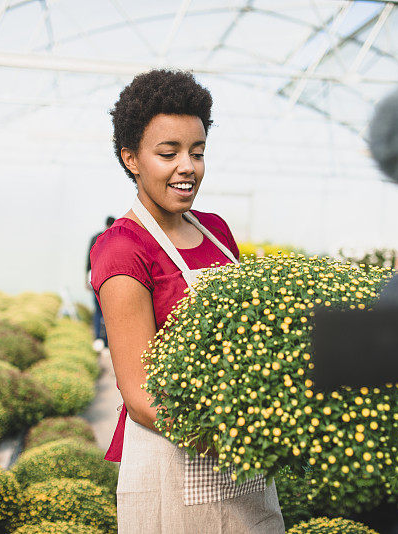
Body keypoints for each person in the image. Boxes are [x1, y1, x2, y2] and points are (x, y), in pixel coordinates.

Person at [90, 69, 285, 533]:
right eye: (168, 153)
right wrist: (238, 439)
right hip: (173, 459)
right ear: (132, 158)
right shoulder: (123, 248)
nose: (188, 167)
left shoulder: (215, 231)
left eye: (197, 153)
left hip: (243, 462)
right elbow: (140, 396)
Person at [88, 216, 115, 348]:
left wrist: (86, 279)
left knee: (98, 310)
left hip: (95, 278)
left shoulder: (95, 238)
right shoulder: (113, 237)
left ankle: (98, 338)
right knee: (108, 311)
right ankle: (106, 341)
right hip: (107, 280)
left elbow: (88, 261)